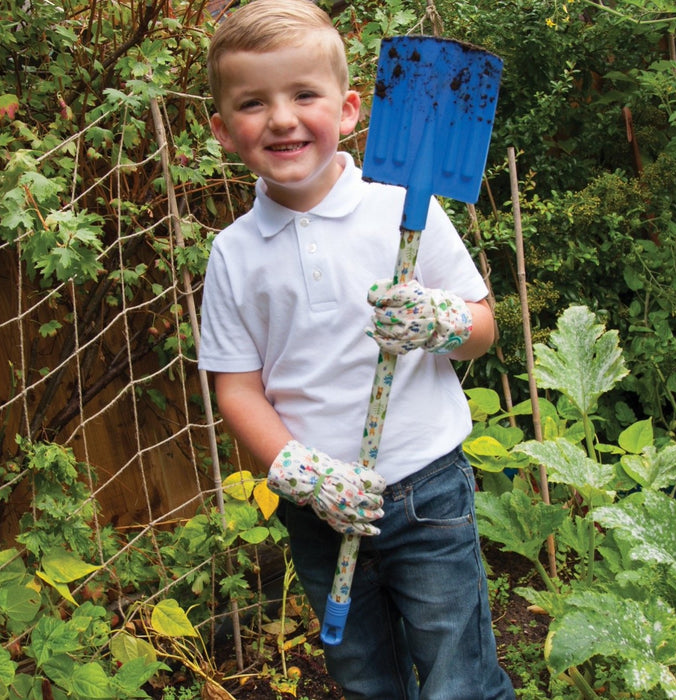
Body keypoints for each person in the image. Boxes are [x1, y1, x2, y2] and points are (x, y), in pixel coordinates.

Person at [199, 1, 515, 698]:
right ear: (223, 130)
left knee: (456, 672)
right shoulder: (233, 254)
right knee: (365, 678)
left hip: (427, 488)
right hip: (318, 510)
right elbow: (236, 388)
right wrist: (298, 472)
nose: (282, 118)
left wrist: (442, 322)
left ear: (346, 111)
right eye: (254, 102)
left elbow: (485, 327)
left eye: (303, 95)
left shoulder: (405, 204)